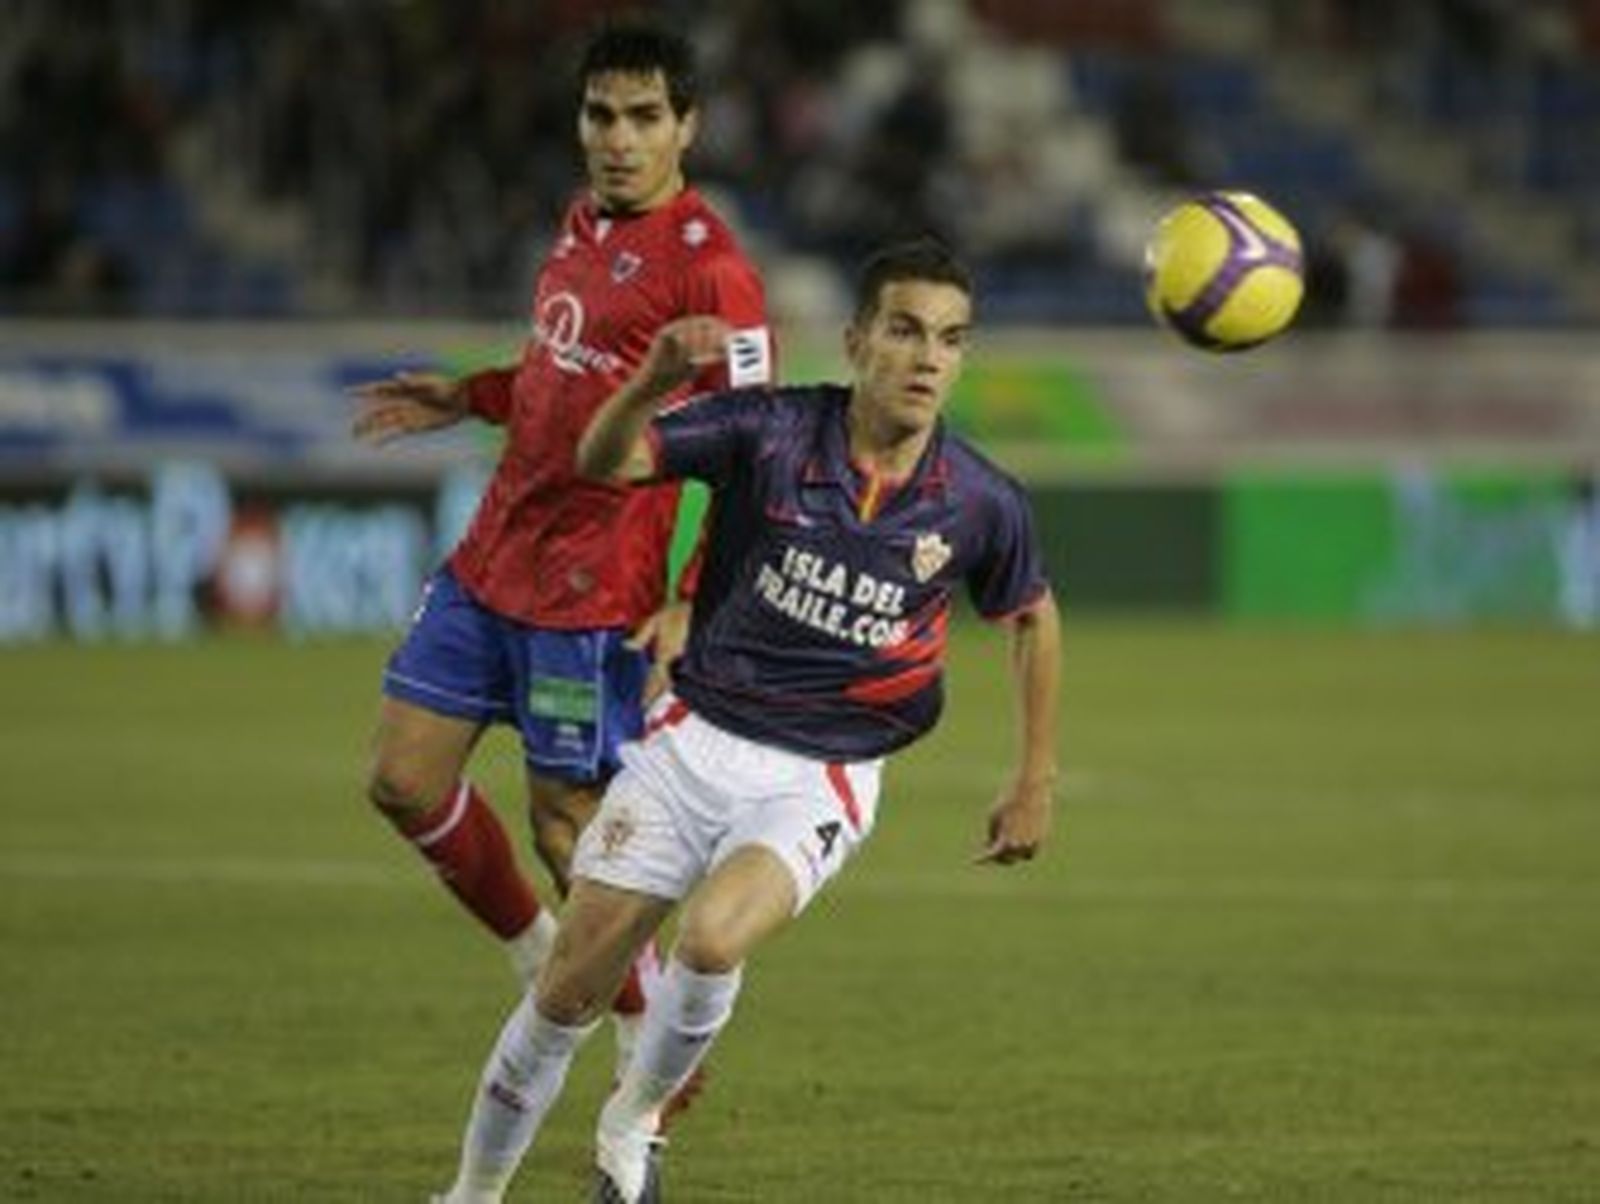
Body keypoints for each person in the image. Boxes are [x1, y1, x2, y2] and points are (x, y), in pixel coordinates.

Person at [432, 239, 1062, 1204]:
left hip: (824, 771)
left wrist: (1033, 778)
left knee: (713, 940)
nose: (929, 358)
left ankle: (633, 1119)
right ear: (856, 342)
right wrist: (649, 383)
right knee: (564, 994)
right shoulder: (767, 430)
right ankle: (470, 1197)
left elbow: (1032, 616)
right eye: (904, 331)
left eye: (950, 339)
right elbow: (606, 460)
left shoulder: (980, 500)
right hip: (690, 740)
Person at [350, 18, 772, 1073]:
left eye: (642, 118)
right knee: (401, 778)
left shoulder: (715, 274)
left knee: (567, 829)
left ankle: (643, 1023)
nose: (617, 139)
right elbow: (557, 375)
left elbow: (753, 453)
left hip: (592, 595)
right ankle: (539, 947)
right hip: (492, 558)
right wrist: (473, 392)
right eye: (599, 115)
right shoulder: (579, 221)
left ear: (688, 127)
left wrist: (689, 598)